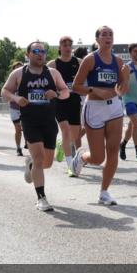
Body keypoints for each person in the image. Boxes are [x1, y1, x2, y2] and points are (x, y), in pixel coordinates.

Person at [3, 41, 71, 212]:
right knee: (40, 158)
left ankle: (31, 166)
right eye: (36, 51)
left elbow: (66, 92)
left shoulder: (53, 73)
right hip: (30, 121)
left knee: (47, 163)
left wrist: (55, 93)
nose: (40, 54)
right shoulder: (19, 73)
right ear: (28, 54)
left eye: (43, 51)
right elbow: (4, 91)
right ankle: (41, 198)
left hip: (49, 121)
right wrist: (17, 98)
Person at [71, 26, 129, 205]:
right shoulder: (90, 60)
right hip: (94, 107)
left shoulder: (119, 62)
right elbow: (76, 86)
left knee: (113, 151)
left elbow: (122, 91)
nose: (108, 37)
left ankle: (104, 192)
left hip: (114, 109)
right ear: (97, 39)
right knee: (98, 158)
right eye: (104, 34)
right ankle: (82, 157)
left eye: (111, 34)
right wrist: (94, 89)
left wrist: (126, 78)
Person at [48, 37, 83, 175]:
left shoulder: (79, 62)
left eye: (69, 45)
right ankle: (70, 166)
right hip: (59, 101)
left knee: (75, 136)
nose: (67, 47)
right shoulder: (53, 64)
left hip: (74, 100)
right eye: (64, 45)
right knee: (65, 130)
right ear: (60, 47)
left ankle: (62, 145)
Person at [5, 60, 27, 156]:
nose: (19, 69)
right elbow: (6, 93)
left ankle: (28, 142)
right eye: (16, 68)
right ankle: (18, 148)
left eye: (20, 68)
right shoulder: (11, 81)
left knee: (27, 127)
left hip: (25, 107)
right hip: (14, 108)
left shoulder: (27, 79)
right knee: (18, 128)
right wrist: (14, 97)